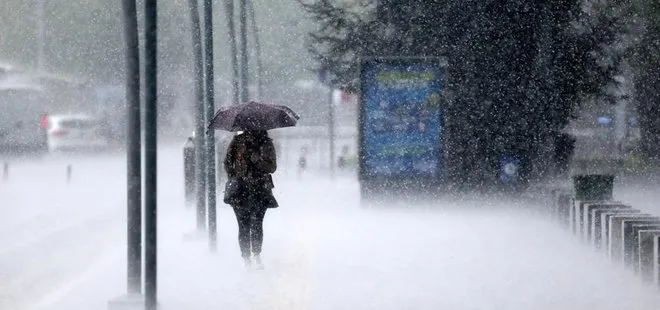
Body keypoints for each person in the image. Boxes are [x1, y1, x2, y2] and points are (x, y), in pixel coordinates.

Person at [224, 130, 278, 269]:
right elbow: (227, 163)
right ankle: (246, 257)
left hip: (259, 189)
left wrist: (257, 160)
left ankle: (256, 254)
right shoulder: (237, 142)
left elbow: (272, 167)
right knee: (243, 225)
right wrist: (236, 176)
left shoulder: (266, 143)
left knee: (257, 223)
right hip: (240, 190)